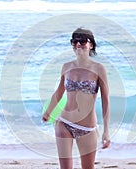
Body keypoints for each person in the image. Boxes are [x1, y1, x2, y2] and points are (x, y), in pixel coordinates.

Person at [42, 27, 110, 169]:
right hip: (64, 123)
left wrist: (106, 131)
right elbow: (59, 92)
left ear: (90, 45)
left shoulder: (99, 69)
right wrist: (48, 112)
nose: (78, 44)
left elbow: (105, 100)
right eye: (74, 41)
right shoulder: (66, 67)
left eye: (82, 41)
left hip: (87, 128)